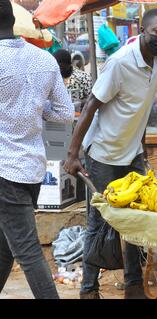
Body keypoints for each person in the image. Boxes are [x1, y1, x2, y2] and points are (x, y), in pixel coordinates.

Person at [63, 9, 157, 299]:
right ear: (142, 29)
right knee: (99, 221)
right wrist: (73, 154)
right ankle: (89, 289)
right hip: (103, 154)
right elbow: (90, 107)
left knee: (136, 219)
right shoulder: (120, 62)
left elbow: (144, 108)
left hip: (132, 152)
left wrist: (143, 147)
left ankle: (134, 285)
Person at [0, 0, 74, 299]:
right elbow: (64, 113)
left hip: (4, 170)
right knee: (6, 248)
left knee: (28, 252)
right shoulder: (43, 59)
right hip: (31, 168)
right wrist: (33, 108)